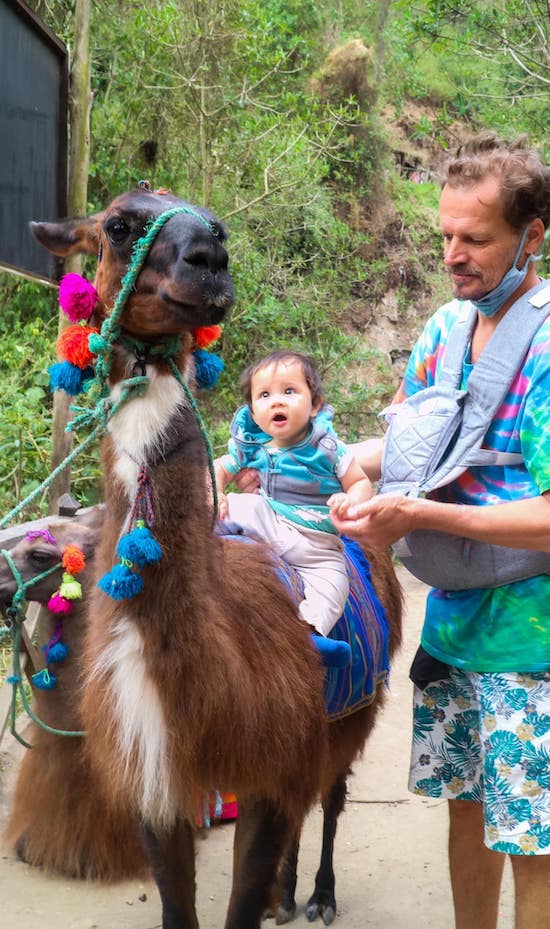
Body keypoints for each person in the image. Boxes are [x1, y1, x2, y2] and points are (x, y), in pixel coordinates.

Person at [330, 133, 550, 929]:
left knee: (533, 837)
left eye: (476, 239)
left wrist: (418, 515)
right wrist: (344, 464)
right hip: (456, 628)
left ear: (532, 236)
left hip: (534, 643)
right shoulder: (442, 332)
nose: (454, 256)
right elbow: (415, 448)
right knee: (466, 810)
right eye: (445, 236)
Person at [214, 349, 373, 642]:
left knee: (334, 583)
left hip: (318, 545)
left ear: (315, 405)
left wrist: (351, 501)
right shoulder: (252, 447)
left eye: (289, 391)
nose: (276, 400)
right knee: (242, 504)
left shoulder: (327, 447)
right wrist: (216, 491)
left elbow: (360, 482)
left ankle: (312, 634)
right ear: (252, 412)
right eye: (263, 395)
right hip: (271, 523)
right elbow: (218, 469)